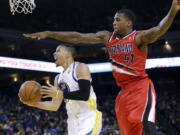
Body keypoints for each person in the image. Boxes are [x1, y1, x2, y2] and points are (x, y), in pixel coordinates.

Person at [23, 0, 180, 135]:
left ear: (129, 23)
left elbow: (159, 29)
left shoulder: (138, 38)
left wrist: (172, 11)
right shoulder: (107, 37)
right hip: (123, 94)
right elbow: (77, 37)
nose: (114, 23)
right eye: (113, 20)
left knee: (148, 125)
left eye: (118, 20)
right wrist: (50, 33)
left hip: (140, 87)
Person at [21, 45, 102, 135]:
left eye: (58, 51)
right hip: (72, 123)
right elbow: (54, 105)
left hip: (88, 118)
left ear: (68, 54)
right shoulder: (58, 78)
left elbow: (84, 95)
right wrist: (34, 103)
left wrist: (58, 94)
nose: (54, 53)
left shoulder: (80, 67)